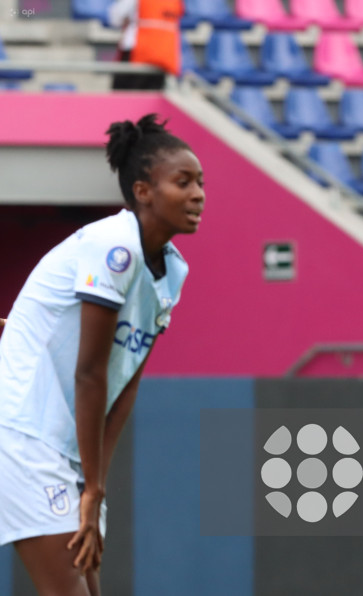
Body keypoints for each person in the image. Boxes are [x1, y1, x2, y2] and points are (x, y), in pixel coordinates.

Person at [0, 113, 204, 595]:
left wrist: (94, 485)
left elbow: (123, 382)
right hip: (24, 433)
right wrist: (91, 488)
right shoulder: (114, 247)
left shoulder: (173, 272)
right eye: (183, 182)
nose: (198, 194)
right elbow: (89, 374)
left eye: (200, 183)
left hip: (67, 451)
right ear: (142, 191)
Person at [108, 0, 183, 90]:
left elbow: (115, 18)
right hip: (163, 55)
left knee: (124, 94)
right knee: (152, 94)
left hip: (137, 52)